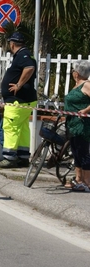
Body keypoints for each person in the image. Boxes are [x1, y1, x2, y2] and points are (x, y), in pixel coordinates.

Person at [0, 32, 37, 168]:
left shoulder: (23, 55)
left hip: (17, 101)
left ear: (12, 44)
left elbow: (29, 68)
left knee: (10, 127)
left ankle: (9, 157)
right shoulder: (24, 54)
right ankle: (23, 156)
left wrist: (19, 84)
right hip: (25, 100)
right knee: (23, 128)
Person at [64, 60, 90, 192]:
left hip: (82, 125)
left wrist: (85, 110)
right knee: (76, 153)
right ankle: (79, 180)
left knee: (83, 153)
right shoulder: (77, 85)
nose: (72, 73)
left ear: (77, 73)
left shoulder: (87, 85)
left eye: (73, 70)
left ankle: (87, 182)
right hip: (72, 124)